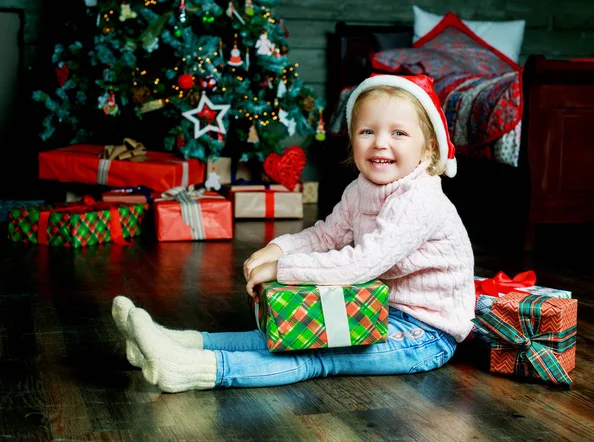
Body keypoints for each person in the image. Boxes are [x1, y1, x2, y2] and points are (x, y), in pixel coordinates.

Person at [112, 74, 475, 393]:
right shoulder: (361, 187)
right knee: (278, 335)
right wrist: (278, 249)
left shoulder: (420, 198)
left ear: (428, 148)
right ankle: (174, 343)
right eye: (367, 131)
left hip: (424, 335)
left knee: (316, 353)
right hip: (376, 307)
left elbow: (362, 263)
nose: (380, 143)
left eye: (398, 133)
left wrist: (282, 270)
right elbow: (326, 235)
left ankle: (190, 370)